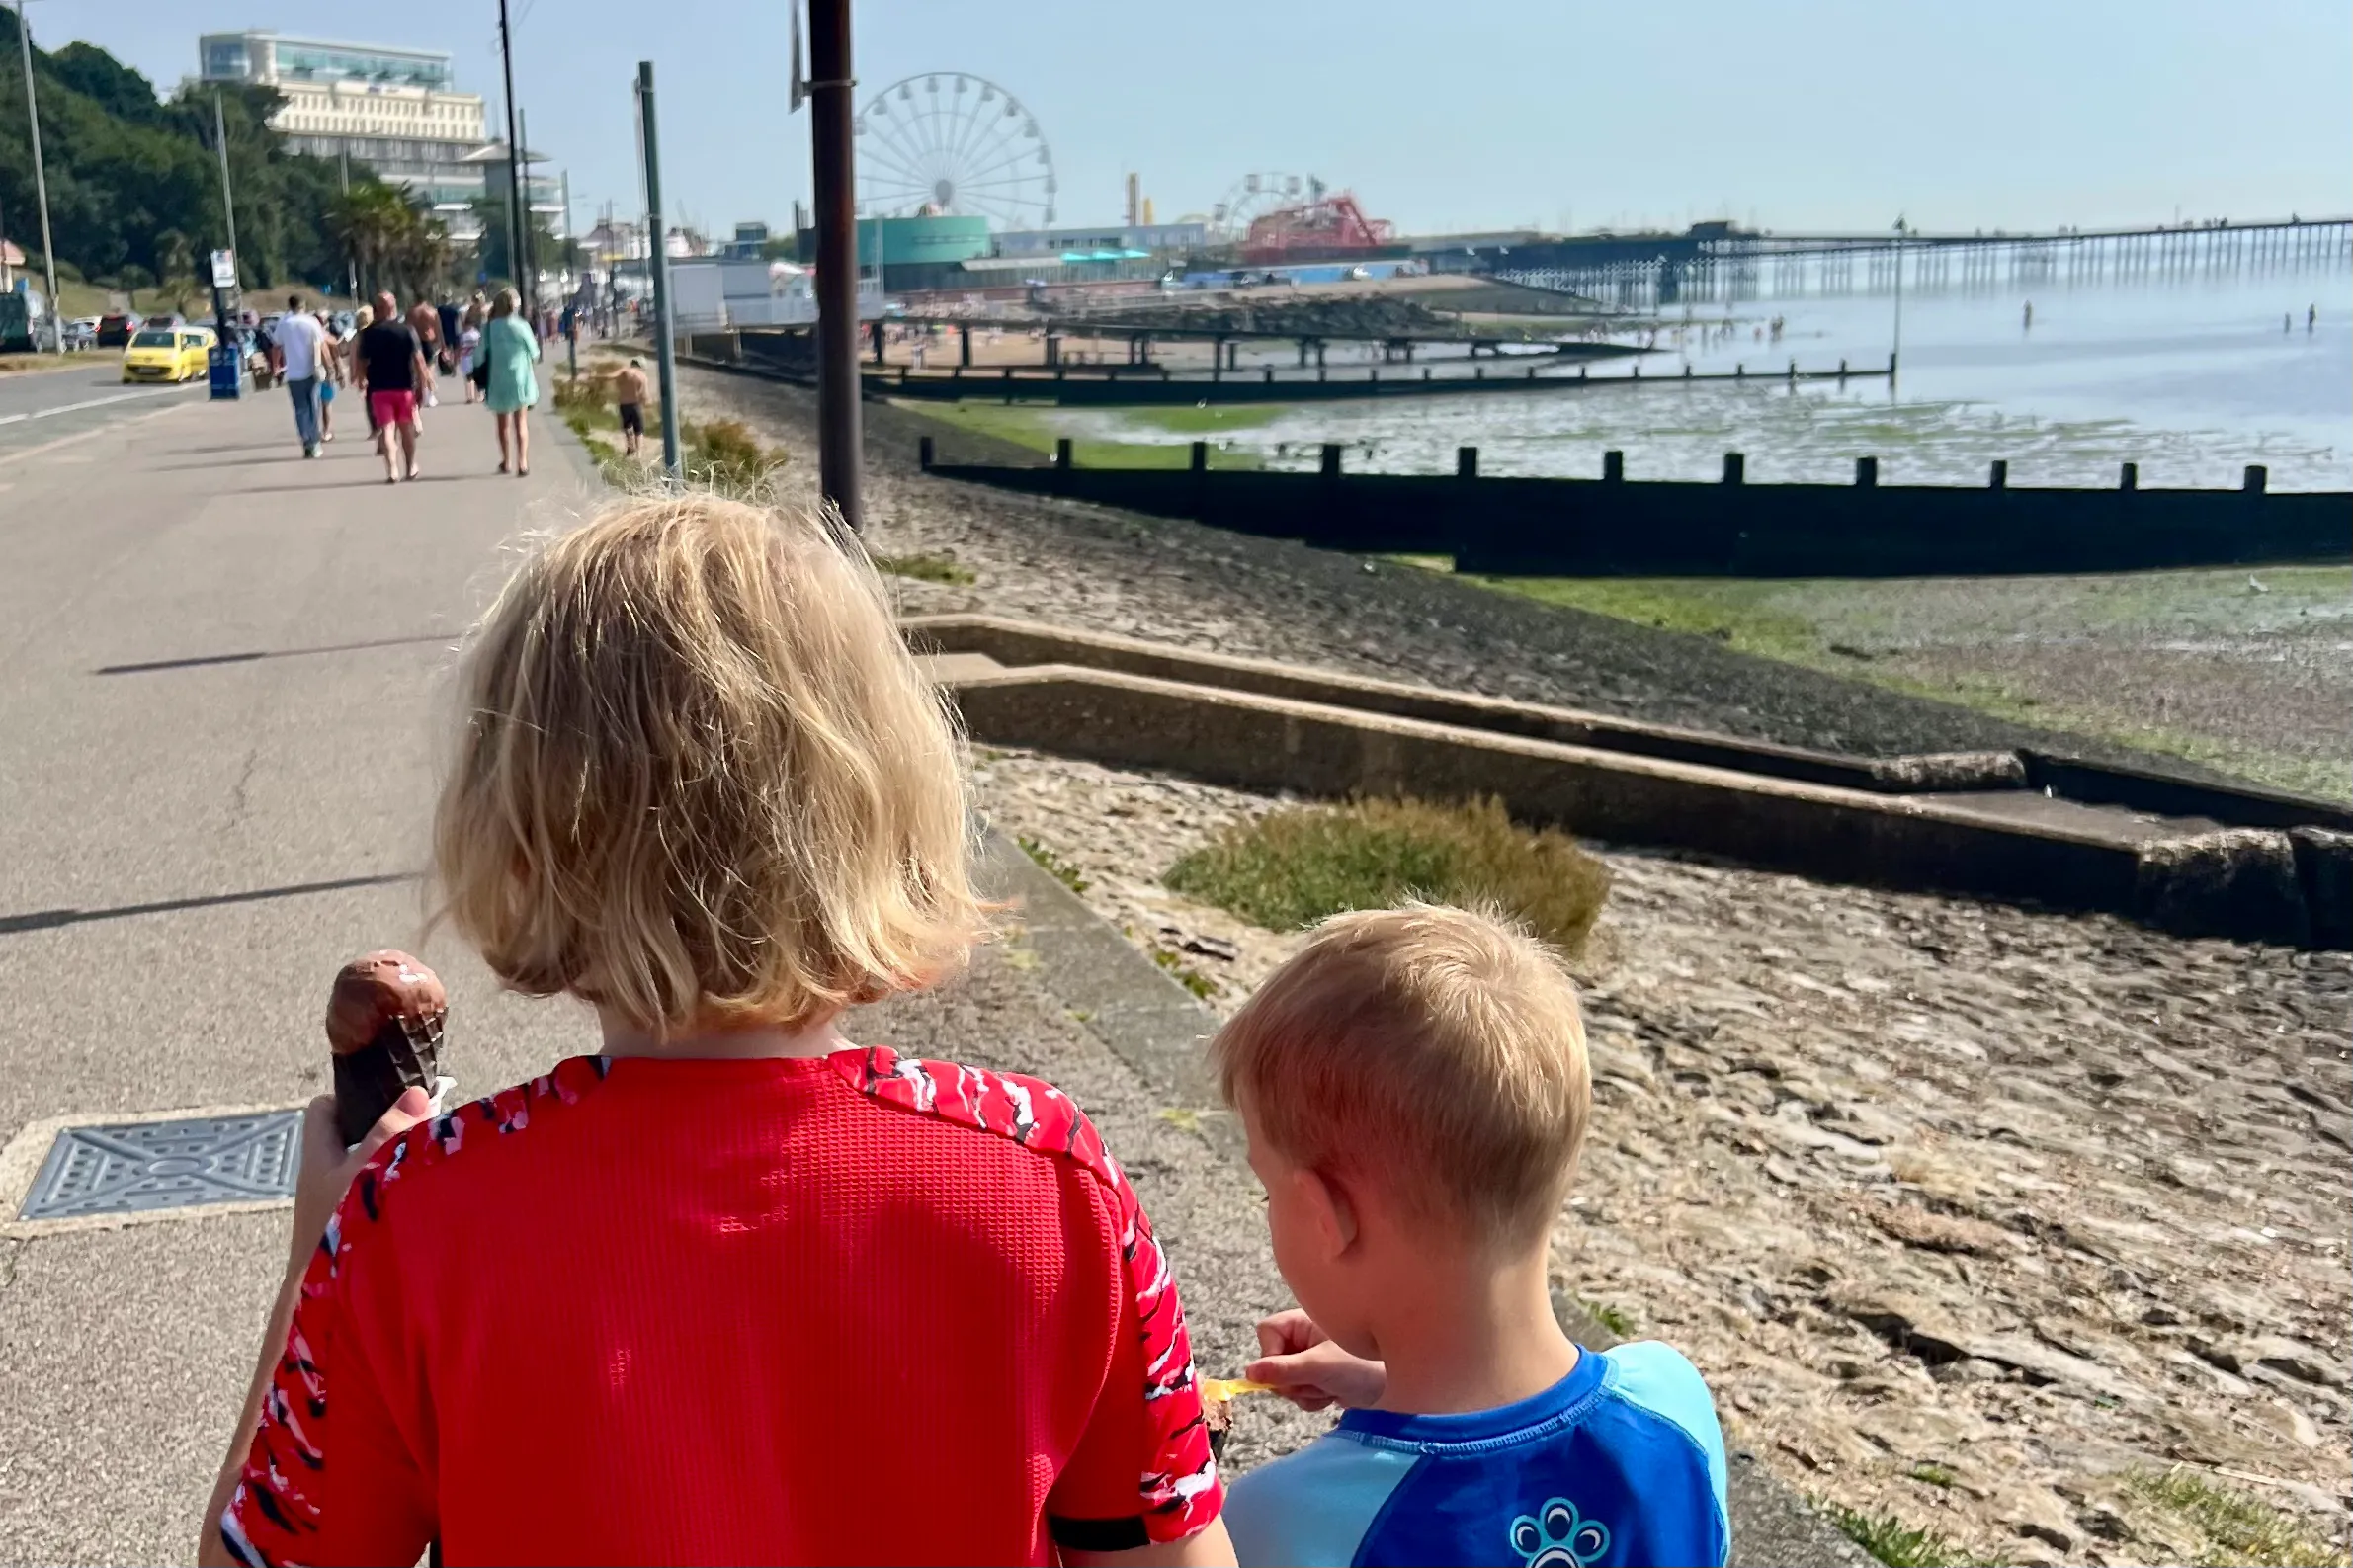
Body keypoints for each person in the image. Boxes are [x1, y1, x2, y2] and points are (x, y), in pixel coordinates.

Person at [197, 494, 1233, 1568]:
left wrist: (311, 1262)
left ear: (518, 841)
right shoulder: (1050, 1176)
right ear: (884, 809)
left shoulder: (406, 1223)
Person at [1215, 904, 1729, 1568]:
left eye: (1267, 1189)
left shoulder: (1276, 1520)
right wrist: (1385, 1382)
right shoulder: (1673, 1406)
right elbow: (1506, 1449)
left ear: (1325, 1217)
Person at [355, 291, 427, 483]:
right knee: (406, 429)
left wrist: (362, 379)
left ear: (376, 309)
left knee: (387, 430)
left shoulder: (369, 333)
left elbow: (361, 361)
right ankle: (411, 466)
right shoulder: (407, 330)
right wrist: (424, 384)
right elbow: (419, 360)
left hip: (379, 390)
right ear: (393, 307)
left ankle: (392, 470)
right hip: (404, 388)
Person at [482, 287, 542, 477]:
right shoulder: (521, 325)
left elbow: (479, 355)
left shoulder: (490, 327)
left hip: (498, 378)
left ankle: (506, 461)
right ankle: (522, 462)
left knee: (502, 424)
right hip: (520, 378)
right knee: (520, 423)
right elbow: (534, 352)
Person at [272, 294, 328, 458]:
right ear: (303, 306)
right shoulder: (311, 322)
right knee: (314, 407)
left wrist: (276, 366)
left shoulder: (284, 324)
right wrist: (329, 366)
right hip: (312, 371)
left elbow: (276, 346)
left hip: (293, 374)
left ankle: (307, 441)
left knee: (300, 409)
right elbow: (321, 345)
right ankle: (315, 441)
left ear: (289, 306)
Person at [406, 297, 444, 407]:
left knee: (418, 370)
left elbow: (407, 327)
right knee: (429, 368)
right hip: (429, 341)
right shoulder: (431, 311)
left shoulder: (411, 312)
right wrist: (442, 344)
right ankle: (429, 394)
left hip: (415, 341)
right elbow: (438, 328)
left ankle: (423, 394)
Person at [614, 355, 650, 457]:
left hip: (623, 404)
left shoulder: (624, 375)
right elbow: (644, 394)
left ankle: (630, 447)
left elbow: (618, 385)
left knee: (627, 427)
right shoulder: (641, 377)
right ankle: (639, 453)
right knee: (639, 430)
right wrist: (647, 401)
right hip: (635, 405)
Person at [455, 316, 483, 404]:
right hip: (476, 358)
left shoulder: (463, 335)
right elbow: (481, 345)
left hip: (466, 358)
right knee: (476, 378)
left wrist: (457, 358)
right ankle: (479, 396)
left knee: (469, 378)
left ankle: (470, 397)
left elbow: (459, 348)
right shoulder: (477, 334)